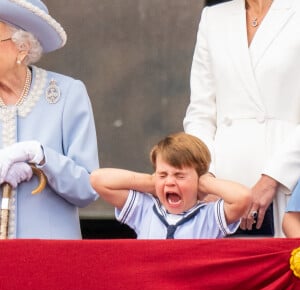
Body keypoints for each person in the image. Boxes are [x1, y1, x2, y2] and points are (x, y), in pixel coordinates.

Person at [183, 0, 300, 237]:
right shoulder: (213, 18)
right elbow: (200, 113)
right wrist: (208, 179)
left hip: (287, 180)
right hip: (222, 191)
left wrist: (272, 179)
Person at [0, 0, 99, 239]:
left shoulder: (67, 94)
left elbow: (87, 189)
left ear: (21, 48)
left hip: (51, 257)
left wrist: (43, 157)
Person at [90, 132, 251, 239]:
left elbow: (243, 197)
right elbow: (98, 179)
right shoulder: (144, 209)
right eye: (163, 174)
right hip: (150, 289)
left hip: (190, 289)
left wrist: (205, 183)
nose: (170, 182)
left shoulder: (209, 217)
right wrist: (150, 183)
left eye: (180, 176)